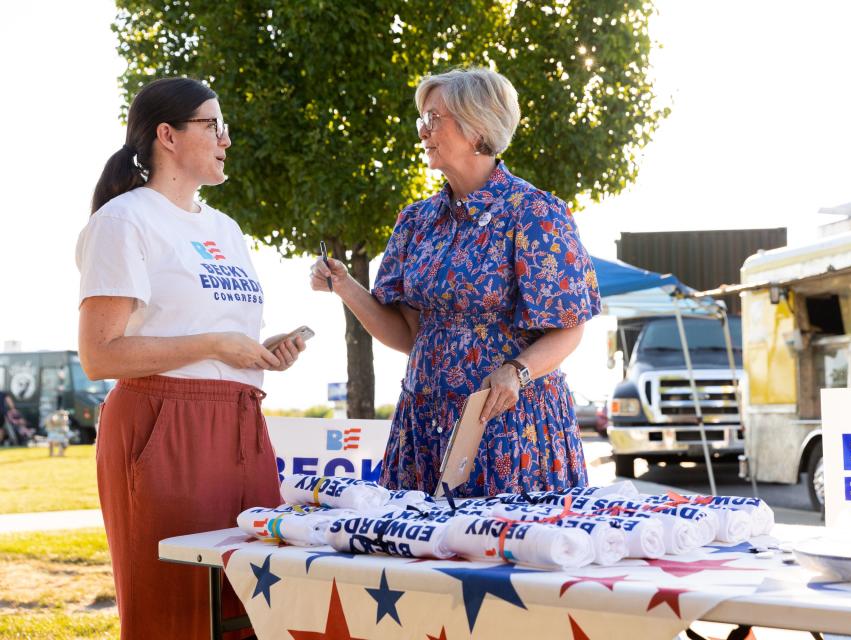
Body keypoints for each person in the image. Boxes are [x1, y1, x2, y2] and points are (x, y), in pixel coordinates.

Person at [77, 77, 305, 640]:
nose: (226, 138)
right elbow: (99, 354)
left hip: (240, 423)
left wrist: (256, 352)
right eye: (213, 124)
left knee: (251, 603)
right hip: (163, 425)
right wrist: (211, 344)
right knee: (178, 610)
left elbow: (209, 335)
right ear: (167, 136)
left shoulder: (225, 228)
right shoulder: (124, 220)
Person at [311, 67, 601, 497]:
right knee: (417, 560)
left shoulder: (535, 213)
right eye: (421, 120)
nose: (423, 132)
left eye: (433, 119)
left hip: (510, 424)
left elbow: (569, 326)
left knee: (502, 558)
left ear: (476, 125)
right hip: (424, 425)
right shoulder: (416, 221)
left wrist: (517, 372)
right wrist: (346, 286)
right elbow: (410, 334)